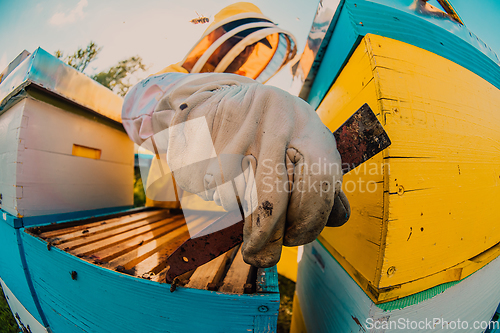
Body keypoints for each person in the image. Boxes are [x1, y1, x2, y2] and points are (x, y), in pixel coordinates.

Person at [122, 2, 350, 268]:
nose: (243, 57)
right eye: (241, 43)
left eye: (251, 51)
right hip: (164, 222)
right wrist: (203, 111)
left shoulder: (241, 93)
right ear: (215, 38)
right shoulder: (170, 80)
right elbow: (139, 105)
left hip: (223, 230)